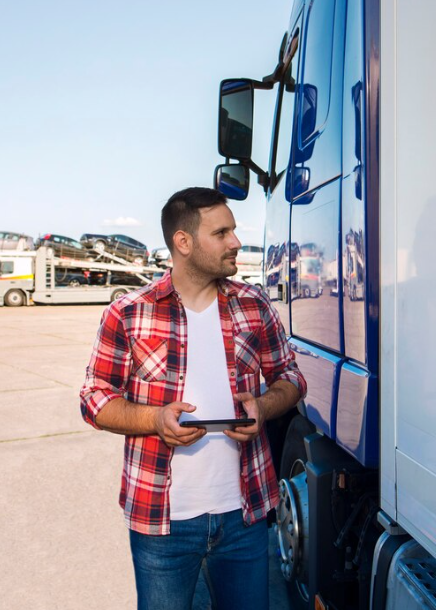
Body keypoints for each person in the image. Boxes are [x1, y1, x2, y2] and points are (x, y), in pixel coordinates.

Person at [80, 187, 307, 610]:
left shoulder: (253, 304)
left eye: (234, 231)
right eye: (221, 233)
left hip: (246, 516)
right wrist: (155, 420)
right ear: (183, 243)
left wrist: (265, 406)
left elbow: (290, 377)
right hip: (162, 521)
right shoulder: (129, 312)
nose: (236, 242)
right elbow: (94, 398)